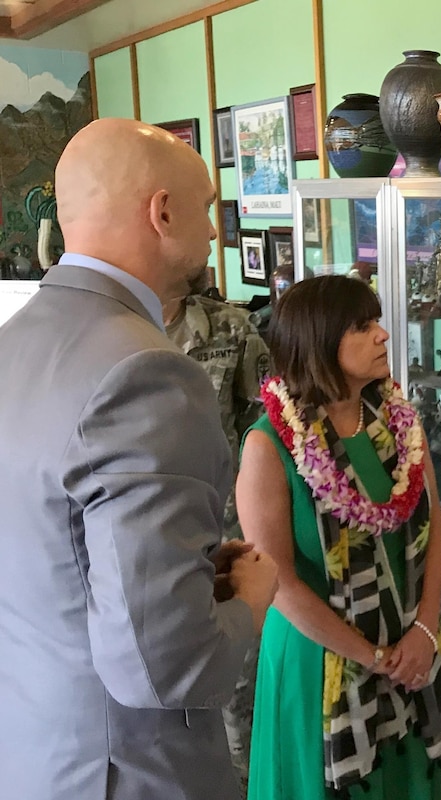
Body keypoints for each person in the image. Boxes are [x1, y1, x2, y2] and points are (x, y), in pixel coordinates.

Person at [0, 118, 279, 799]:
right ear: (162, 212)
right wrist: (250, 604)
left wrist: (183, 572)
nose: (214, 232)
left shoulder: (14, 343)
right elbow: (161, 668)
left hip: (35, 748)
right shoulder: (147, 372)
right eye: (207, 209)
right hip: (130, 770)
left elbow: (49, 553)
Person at [238, 275, 441, 800]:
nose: (383, 335)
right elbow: (280, 586)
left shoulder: (399, 423)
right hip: (320, 667)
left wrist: (424, 632)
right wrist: (375, 657)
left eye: (377, 322)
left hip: (409, 650)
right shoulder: (269, 447)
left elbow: (432, 529)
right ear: (319, 341)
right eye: (363, 327)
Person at [164, 272, 271, 795]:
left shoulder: (233, 330)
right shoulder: (104, 337)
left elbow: (267, 433)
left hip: (225, 544)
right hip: (142, 554)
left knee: (237, 694)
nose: (210, 232)